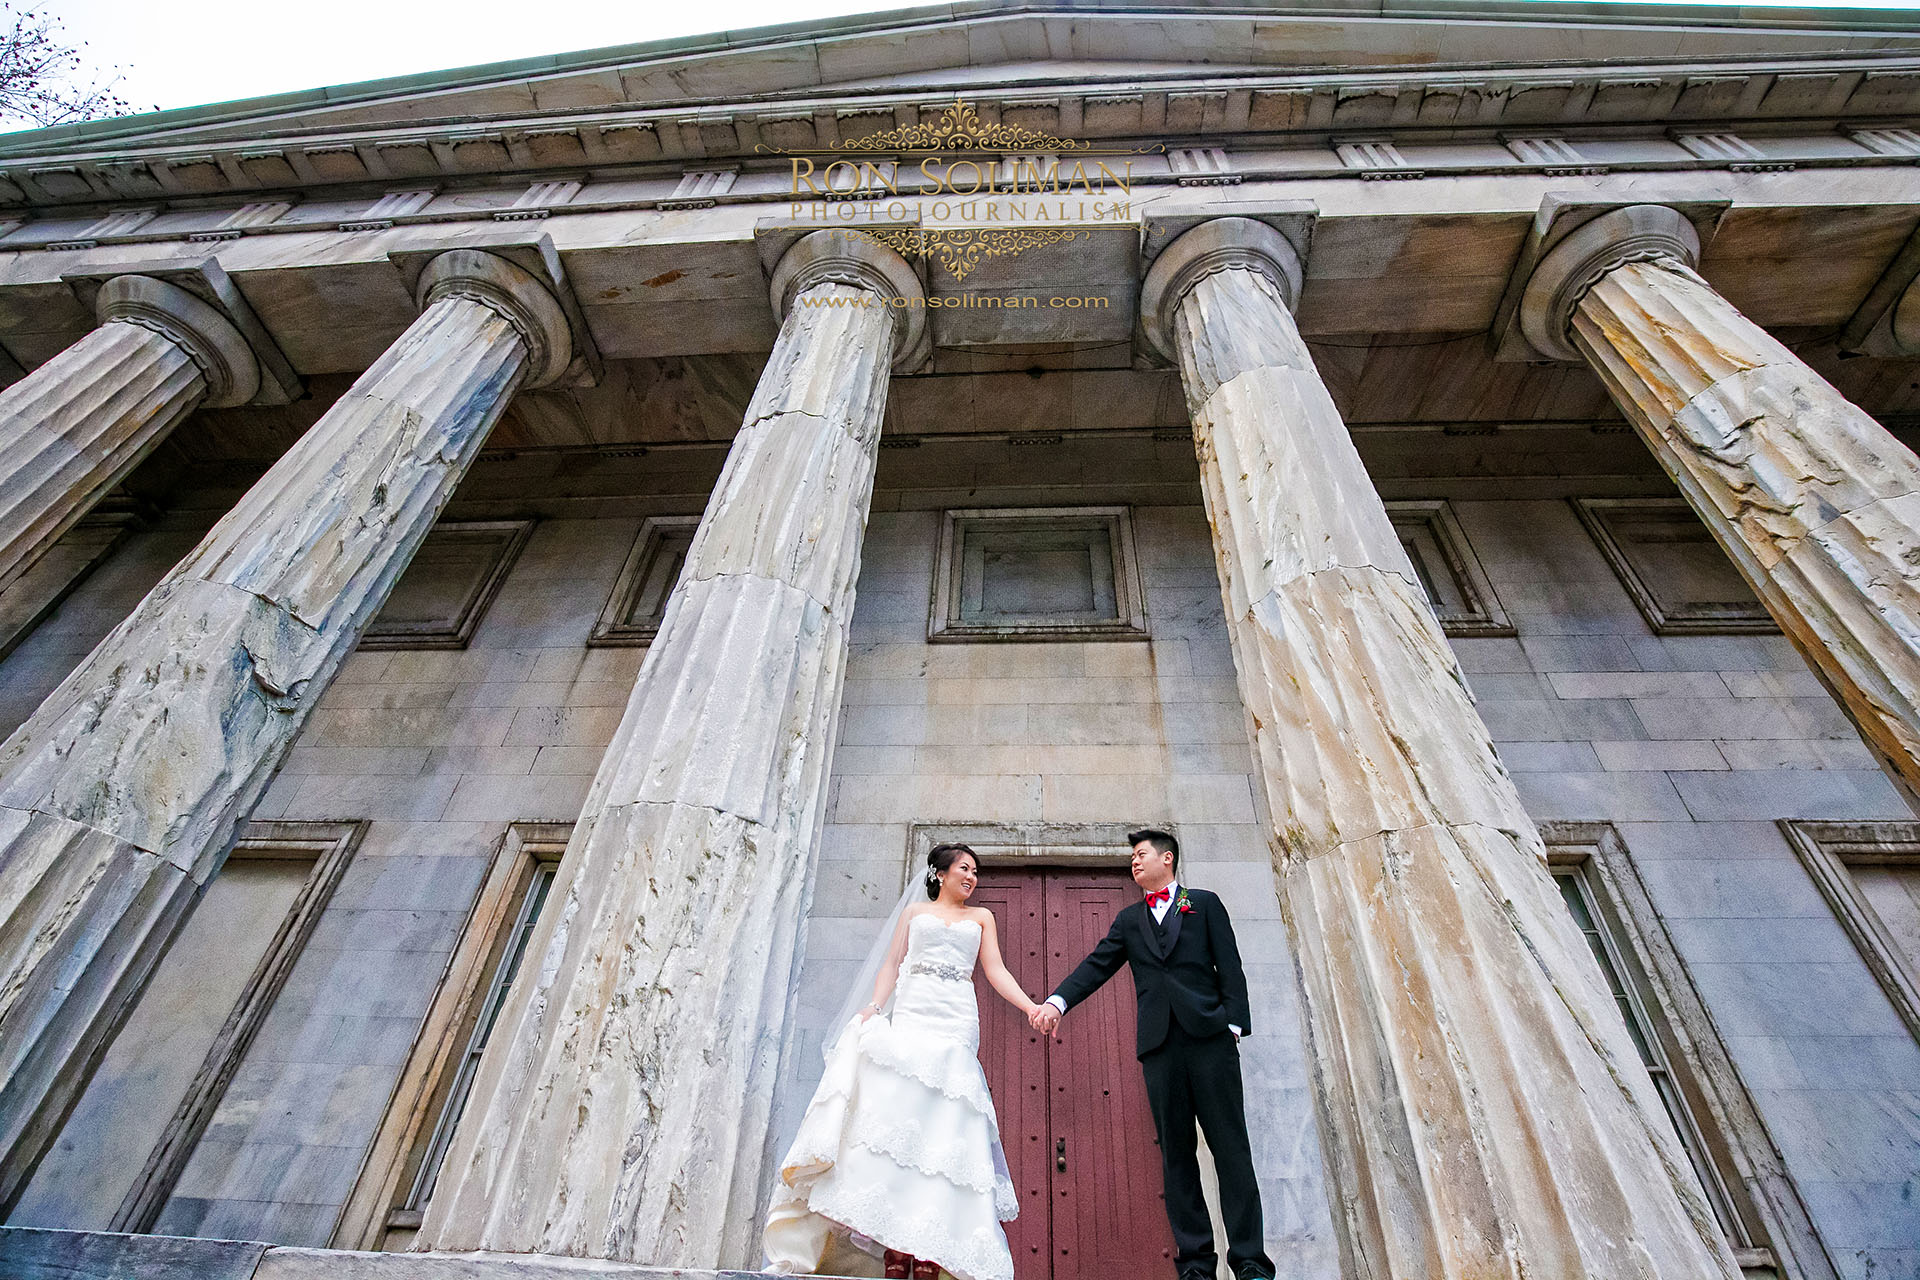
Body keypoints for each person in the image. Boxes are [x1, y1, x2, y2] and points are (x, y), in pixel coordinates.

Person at [764, 843, 1039, 1280]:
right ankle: (895, 1250)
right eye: (964, 868)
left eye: (975, 871)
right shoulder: (913, 913)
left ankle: (930, 1251)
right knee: (900, 1128)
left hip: (956, 1021)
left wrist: (1030, 1007)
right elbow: (892, 964)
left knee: (943, 1129)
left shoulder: (981, 919)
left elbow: (995, 970)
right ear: (941, 873)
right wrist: (875, 1006)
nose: (972, 877)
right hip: (913, 1014)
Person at [1031, 829, 1276, 1280]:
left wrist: (1234, 1024)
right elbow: (1097, 964)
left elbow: (1231, 965)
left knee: (1231, 1150)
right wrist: (1057, 1002)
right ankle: (1197, 1265)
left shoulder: (1204, 904)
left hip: (1210, 1042)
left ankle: (1250, 1262)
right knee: (1176, 1155)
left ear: (1168, 858)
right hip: (1160, 1047)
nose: (1134, 863)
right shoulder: (1128, 920)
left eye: (1141, 855)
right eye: (1131, 858)